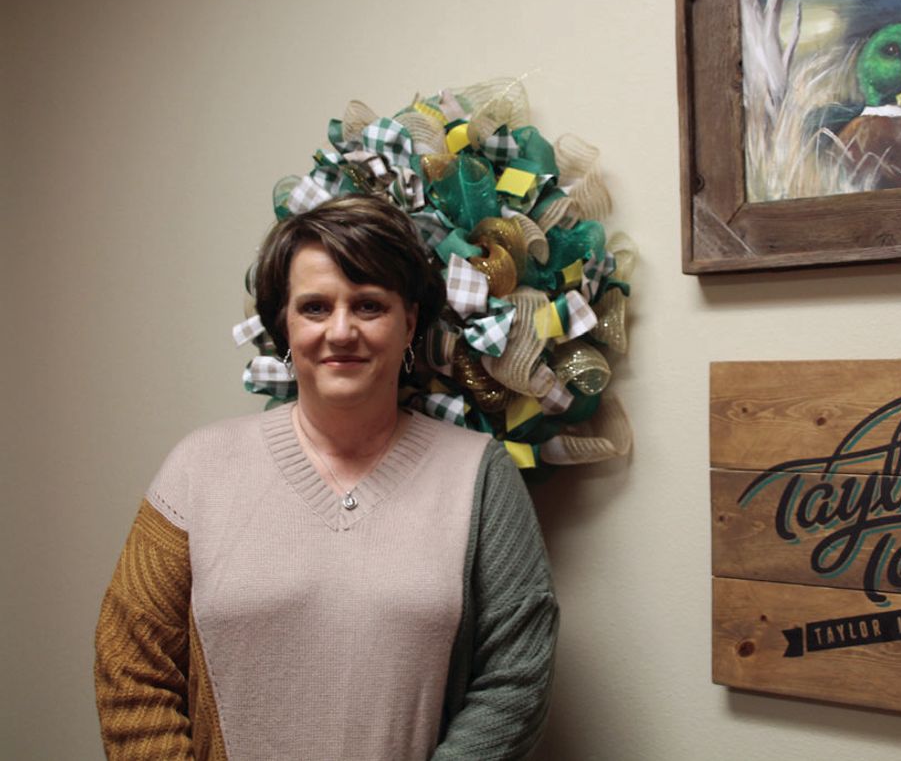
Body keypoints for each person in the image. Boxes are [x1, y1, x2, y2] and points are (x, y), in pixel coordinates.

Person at [94, 194, 558, 760]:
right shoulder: (198, 468)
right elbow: (130, 664)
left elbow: (517, 679)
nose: (341, 332)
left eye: (368, 306)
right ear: (282, 324)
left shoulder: (480, 475)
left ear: (409, 322)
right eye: (315, 308)